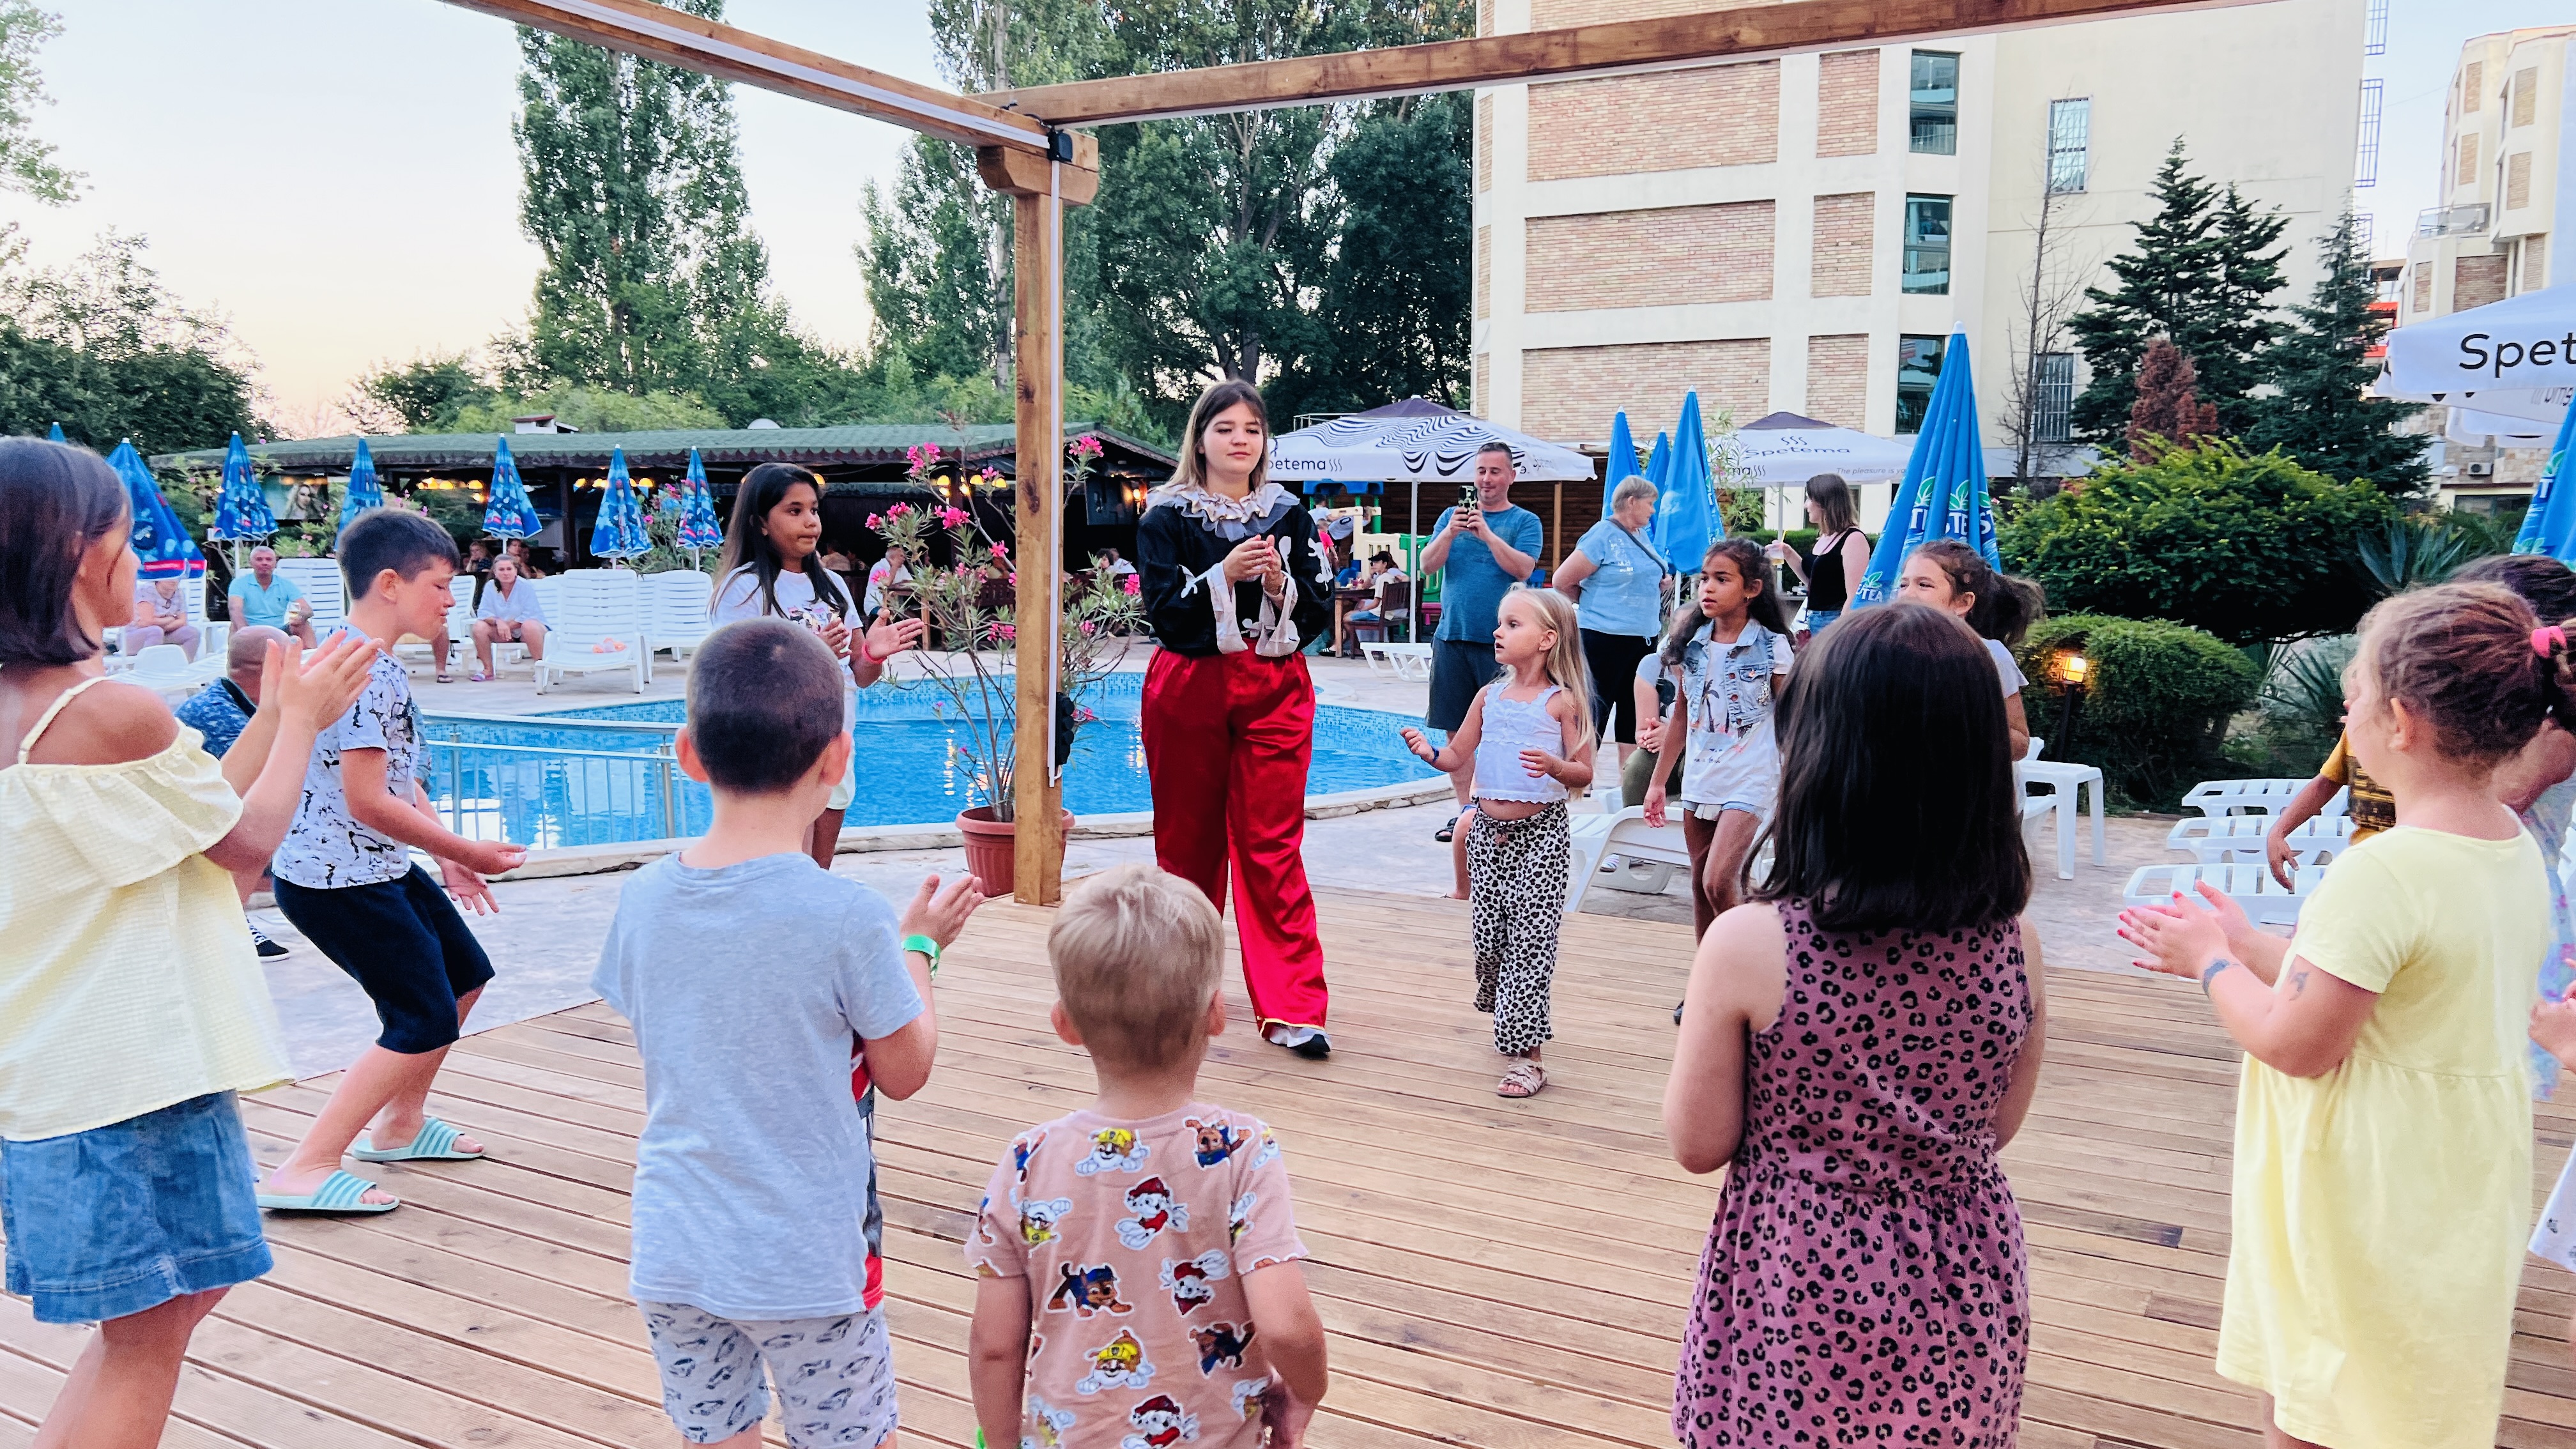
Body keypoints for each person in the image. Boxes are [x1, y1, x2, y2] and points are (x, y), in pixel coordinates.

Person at [0, 438, 379, 1448]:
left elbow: (199, 809)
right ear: (79, 553)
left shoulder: (38, 712)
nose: (144, 563)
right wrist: (301, 723)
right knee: (150, 1337)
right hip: (130, 1082)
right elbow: (246, 849)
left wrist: (283, 713)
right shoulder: (103, 711)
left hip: (53, 1079)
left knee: (156, 1320)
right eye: (130, 541)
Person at [2120, 581, 2557, 1449]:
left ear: (2402, 722)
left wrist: (2208, 962)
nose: (2343, 714)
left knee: (2325, 1400)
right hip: (2454, 1173)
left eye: (2351, 696)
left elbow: (2295, 1043)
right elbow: (2390, 989)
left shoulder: (2383, 870)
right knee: (2404, 1387)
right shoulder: (2511, 848)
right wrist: (2251, 944)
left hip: (2367, 1186)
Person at [1665, 602, 2046, 1447]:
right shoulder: (2014, 942)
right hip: (1964, 1272)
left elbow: (1698, 1143)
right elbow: (1997, 1125)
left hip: (1797, 1283)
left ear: (1818, 759)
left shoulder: (1752, 942)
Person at [598, 618, 983, 1449]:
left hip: (675, 1243)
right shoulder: (848, 917)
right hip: (808, 1258)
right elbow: (905, 1068)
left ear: (688, 754)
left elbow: (665, 1020)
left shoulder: (643, 898)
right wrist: (918, 951)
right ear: (837, 760)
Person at [966, 864, 1330, 1448]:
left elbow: (994, 1345)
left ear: (1065, 1025)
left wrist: (1002, 1440)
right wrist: (1306, 1391)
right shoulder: (1241, 1150)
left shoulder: (1029, 1159)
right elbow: (1286, 1326)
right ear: (1216, 1015)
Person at [256, 510, 531, 1214]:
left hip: (374, 867)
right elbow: (367, 800)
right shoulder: (362, 671)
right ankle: (305, 1166)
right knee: (420, 1015)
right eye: (439, 585)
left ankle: (401, 1125)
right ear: (389, 584)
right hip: (336, 881)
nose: (450, 601)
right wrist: (467, 850)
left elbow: (397, 781)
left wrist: (444, 855)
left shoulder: (366, 659)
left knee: (464, 977)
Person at [1135, 379, 1337, 1059]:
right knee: (1186, 847)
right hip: (1190, 683)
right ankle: (1178, 1001)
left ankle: (1293, 1006)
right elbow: (1164, 613)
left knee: (1271, 843)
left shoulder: (1289, 515)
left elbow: (1319, 606)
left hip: (1275, 686)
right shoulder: (1164, 517)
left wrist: (1279, 585)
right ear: (1200, 439)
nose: (1240, 439)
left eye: (1252, 428)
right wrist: (1221, 574)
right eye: (1225, 428)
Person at [1400, 588, 1596, 1097]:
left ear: (1547, 640)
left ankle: (1528, 1058)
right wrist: (1428, 752)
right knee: (1490, 945)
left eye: (1512, 624)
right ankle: (1508, 1006)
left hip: (1542, 837)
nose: (1497, 632)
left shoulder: (1563, 703)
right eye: (1501, 623)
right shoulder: (1489, 698)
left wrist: (1555, 766)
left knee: (1530, 946)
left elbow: (1585, 773)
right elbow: (1456, 757)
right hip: (1488, 838)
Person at [714, 463, 926, 869]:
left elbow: (859, 675)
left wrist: (874, 654)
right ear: (760, 523)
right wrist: (807, 657)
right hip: (778, 750)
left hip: (834, 742)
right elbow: (735, 681)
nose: (811, 521)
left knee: (818, 872)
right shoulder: (743, 590)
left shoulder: (832, 586)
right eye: (794, 511)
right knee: (789, 872)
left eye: (813, 510)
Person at [1643, 539, 1795, 941]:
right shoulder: (1690, 644)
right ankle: (1708, 973)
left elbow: (1796, 719)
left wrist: (1800, 781)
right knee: (1699, 883)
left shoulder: (1773, 647)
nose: (1707, 588)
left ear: (1752, 589)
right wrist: (1658, 783)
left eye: (1722, 579)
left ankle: (1751, 960)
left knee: (1718, 880)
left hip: (1752, 776)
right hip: (1701, 774)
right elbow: (1681, 716)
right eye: (1704, 579)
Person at [1420, 442, 1544, 843]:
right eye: (1481, 471)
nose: (1486, 480)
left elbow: (1522, 569)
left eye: (1495, 471)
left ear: (1511, 476)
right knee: (1455, 732)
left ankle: (1502, 815)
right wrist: (1450, 533)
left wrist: (1487, 535)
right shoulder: (1449, 518)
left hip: (1505, 645)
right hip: (1452, 637)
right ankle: (1467, 815)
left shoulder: (1525, 521)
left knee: (1504, 731)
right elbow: (1427, 565)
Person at [178, 624, 298, 960]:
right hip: (199, 836)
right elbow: (266, 791)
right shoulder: (222, 718)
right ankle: (230, 918)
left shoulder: (234, 702)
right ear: (270, 668)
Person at [1550, 474, 1666, 763]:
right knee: (1594, 712)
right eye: (1650, 504)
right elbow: (1562, 581)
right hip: (1603, 639)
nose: (1653, 511)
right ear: (1632, 502)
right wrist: (1594, 604)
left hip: (1641, 640)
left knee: (1633, 715)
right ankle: (1580, 777)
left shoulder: (1641, 535)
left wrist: (1661, 584)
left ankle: (1628, 782)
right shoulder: (1602, 536)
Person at [1894, 539, 2042, 760]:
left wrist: (1962, 721)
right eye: (1904, 585)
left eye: (1924, 585)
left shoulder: (1989, 656)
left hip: (1970, 779)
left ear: (1962, 603)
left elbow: (2021, 744)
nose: (1907, 594)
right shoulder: (1889, 652)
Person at [2263, 732, 2395, 889]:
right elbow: (2327, 783)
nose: (2344, 718)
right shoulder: (2356, 728)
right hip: (2365, 861)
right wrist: (2277, 834)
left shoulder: (2421, 731)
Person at [1763, 473, 1868, 638]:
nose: (1806, 505)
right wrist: (1788, 553)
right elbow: (1815, 585)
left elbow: (1854, 595)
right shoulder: (1825, 537)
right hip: (1814, 619)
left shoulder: (1853, 539)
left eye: (1809, 499)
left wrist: (1840, 633)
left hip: (1835, 621)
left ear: (1824, 503)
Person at [469, 553, 548, 682]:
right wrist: (498, 622)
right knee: (479, 627)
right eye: (501, 569)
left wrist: (506, 626)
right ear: (495, 572)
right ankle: (488, 670)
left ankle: (541, 669)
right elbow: (483, 613)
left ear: (516, 571)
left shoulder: (525, 586)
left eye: (509, 569)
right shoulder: (490, 586)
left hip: (529, 631)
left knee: (529, 625)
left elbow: (529, 614)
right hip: (504, 633)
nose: (506, 573)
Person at [226, 545, 316, 649]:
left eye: (269, 559)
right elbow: (235, 610)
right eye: (259, 559)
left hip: (278, 631)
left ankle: (312, 656)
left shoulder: (285, 584)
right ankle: (239, 656)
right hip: (250, 630)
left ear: (275, 563)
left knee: (304, 624)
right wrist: (246, 633)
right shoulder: (239, 583)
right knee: (235, 626)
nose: (264, 563)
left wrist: (300, 617)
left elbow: (307, 609)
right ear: (251, 563)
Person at [1335, 551, 1409, 657]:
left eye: (1377, 562)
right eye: (1373, 562)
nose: (1374, 565)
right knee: (1354, 611)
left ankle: (1358, 647)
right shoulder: (1386, 577)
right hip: (1387, 612)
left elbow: (1375, 604)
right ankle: (1359, 646)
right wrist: (1371, 575)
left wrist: (1359, 611)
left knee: (1346, 618)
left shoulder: (1383, 578)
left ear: (1385, 564)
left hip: (1379, 614)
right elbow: (1366, 588)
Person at [126, 574, 201, 659]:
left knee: (192, 633)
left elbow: (183, 621)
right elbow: (146, 622)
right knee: (156, 631)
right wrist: (170, 619)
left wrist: (160, 624)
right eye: (169, 576)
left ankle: (183, 665)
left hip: (164, 634)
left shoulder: (179, 592)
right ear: (159, 578)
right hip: (133, 636)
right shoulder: (147, 590)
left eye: (176, 576)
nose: (173, 579)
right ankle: (150, 666)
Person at [863, 542, 912, 623]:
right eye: (901, 556)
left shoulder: (902, 567)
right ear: (892, 558)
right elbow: (887, 583)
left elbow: (910, 582)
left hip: (896, 607)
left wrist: (896, 585)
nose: (904, 558)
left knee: (915, 617)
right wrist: (895, 566)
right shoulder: (878, 567)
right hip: (876, 606)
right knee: (886, 615)